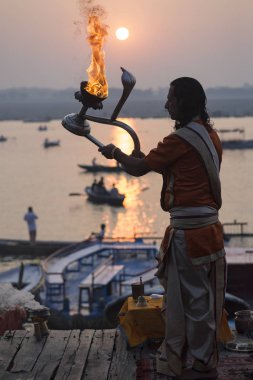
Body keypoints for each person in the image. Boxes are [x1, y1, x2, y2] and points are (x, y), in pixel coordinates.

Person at [98, 77, 226, 380]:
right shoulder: (210, 136)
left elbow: (139, 168)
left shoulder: (179, 140)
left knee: (193, 305)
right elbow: (170, 168)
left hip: (190, 237)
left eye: (171, 98)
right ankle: (198, 359)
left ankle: (200, 364)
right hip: (209, 232)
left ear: (184, 102)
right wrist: (133, 158)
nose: (166, 103)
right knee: (202, 302)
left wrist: (116, 154)